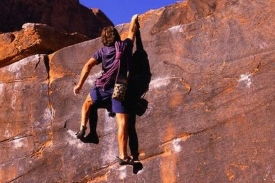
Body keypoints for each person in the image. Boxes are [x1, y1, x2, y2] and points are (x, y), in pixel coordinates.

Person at [73, 14, 139, 165]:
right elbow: (132, 32)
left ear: (103, 38)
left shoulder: (102, 52)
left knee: (87, 103)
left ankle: (84, 127)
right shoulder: (126, 46)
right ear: (116, 36)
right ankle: (123, 155)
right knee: (122, 122)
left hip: (103, 88)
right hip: (120, 90)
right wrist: (134, 19)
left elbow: (88, 66)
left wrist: (79, 85)